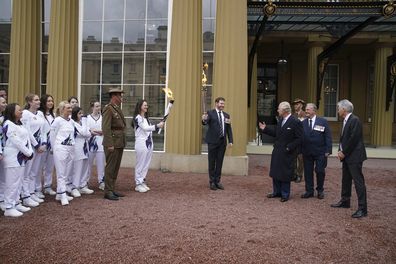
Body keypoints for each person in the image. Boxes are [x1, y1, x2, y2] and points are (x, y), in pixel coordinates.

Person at [259, 101, 302, 202]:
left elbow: (299, 138)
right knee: (276, 171)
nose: (277, 110)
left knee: (285, 173)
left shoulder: (295, 122)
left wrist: (289, 147)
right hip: (277, 150)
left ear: (284, 110)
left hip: (287, 152)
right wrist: (265, 129)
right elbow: (277, 133)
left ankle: (285, 194)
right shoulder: (281, 120)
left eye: (279, 109)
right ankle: (276, 192)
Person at [331, 99, 368, 218]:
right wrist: (340, 151)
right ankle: (345, 201)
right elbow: (343, 139)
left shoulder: (355, 120)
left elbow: (354, 139)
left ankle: (363, 209)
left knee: (358, 182)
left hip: (355, 156)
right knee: (345, 179)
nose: (337, 111)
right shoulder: (345, 120)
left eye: (338, 108)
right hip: (347, 156)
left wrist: (343, 152)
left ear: (344, 109)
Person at [2, 103, 33, 217]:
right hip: (12, 156)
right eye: (19, 110)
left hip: (21, 157)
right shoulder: (8, 124)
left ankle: (16, 202)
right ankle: (9, 207)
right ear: (12, 112)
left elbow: (27, 138)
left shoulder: (20, 124)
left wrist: (29, 151)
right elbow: (16, 141)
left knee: (18, 181)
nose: (21, 112)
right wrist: (28, 152)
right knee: (11, 182)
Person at [301, 103, 332, 199]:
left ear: (314, 111)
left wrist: (328, 150)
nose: (306, 111)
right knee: (308, 172)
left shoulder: (323, 122)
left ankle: (320, 190)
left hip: (320, 152)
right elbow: (300, 138)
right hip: (307, 152)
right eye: (306, 109)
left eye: (308, 110)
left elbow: (328, 137)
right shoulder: (303, 123)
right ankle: (309, 191)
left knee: (319, 171)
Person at [21, 94, 47, 207]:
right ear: (30, 102)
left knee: (34, 172)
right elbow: (27, 131)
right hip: (31, 147)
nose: (39, 101)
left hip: (40, 147)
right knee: (27, 172)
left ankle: (31, 192)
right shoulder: (25, 114)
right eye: (36, 100)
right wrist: (36, 146)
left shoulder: (40, 114)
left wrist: (44, 143)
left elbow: (44, 130)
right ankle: (25, 195)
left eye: (38, 100)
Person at [202, 97, 233, 190]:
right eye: (220, 103)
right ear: (216, 103)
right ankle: (211, 182)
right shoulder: (210, 113)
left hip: (222, 142)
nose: (222, 105)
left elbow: (228, 129)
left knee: (219, 162)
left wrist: (231, 140)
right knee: (212, 162)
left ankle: (217, 181)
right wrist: (203, 119)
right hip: (212, 142)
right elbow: (205, 122)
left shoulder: (227, 115)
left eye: (223, 104)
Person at [132, 99, 164, 193]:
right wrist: (157, 126)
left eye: (147, 105)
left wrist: (158, 125)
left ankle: (142, 181)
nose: (146, 107)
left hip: (149, 143)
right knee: (140, 164)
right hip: (141, 143)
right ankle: (138, 184)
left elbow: (149, 130)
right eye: (144, 105)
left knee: (146, 164)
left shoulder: (146, 119)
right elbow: (145, 129)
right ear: (140, 106)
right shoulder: (138, 118)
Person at [102, 87, 126, 200]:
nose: (121, 97)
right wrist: (109, 143)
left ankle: (112, 188)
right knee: (110, 167)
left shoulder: (116, 108)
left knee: (115, 167)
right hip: (113, 142)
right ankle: (108, 191)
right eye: (120, 95)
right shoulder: (108, 109)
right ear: (114, 96)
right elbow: (106, 128)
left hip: (119, 141)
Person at [50, 101, 75, 206]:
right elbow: (52, 135)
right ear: (62, 109)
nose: (70, 109)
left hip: (70, 148)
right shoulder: (57, 121)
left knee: (66, 172)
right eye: (68, 108)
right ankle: (63, 194)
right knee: (61, 173)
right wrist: (53, 148)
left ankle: (60, 193)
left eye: (70, 108)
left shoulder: (71, 121)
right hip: (60, 148)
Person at [71, 106, 93, 197]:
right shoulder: (73, 123)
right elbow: (84, 133)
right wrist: (85, 122)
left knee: (85, 166)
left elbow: (88, 134)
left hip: (85, 146)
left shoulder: (83, 123)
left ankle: (83, 185)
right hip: (77, 147)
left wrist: (85, 125)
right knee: (77, 167)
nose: (81, 115)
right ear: (75, 114)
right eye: (79, 113)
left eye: (82, 113)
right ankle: (75, 187)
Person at [38, 94, 57, 196]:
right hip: (42, 144)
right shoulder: (39, 114)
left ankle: (47, 186)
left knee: (50, 167)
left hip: (52, 145)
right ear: (44, 102)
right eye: (48, 101)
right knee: (39, 167)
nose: (50, 103)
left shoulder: (54, 115)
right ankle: (37, 188)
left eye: (52, 101)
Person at [87, 101, 105, 191]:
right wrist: (95, 132)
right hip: (90, 144)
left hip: (101, 144)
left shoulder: (103, 118)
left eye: (99, 106)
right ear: (92, 107)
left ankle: (101, 181)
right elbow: (87, 130)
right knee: (88, 164)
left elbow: (104, 130)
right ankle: (85, 181)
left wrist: (94, 131)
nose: (98, 108)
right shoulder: (87, 118)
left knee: (101, 163)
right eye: (96, 106)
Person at [291, 98, 306, 183]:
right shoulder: (292, 115)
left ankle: (300, 175)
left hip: (301, 141)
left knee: (301, 159)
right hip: (293, 140)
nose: (295, 106)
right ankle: (294, 174)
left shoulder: (305, 115)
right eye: (294, 105)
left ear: (301, 105)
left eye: (297, 104)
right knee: (293, 158)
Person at [0, 97, 7, 212]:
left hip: (4, 150)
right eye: (3, 102)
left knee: (3, 177)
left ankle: (2, 199)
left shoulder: (5, 118)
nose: (5, 104)